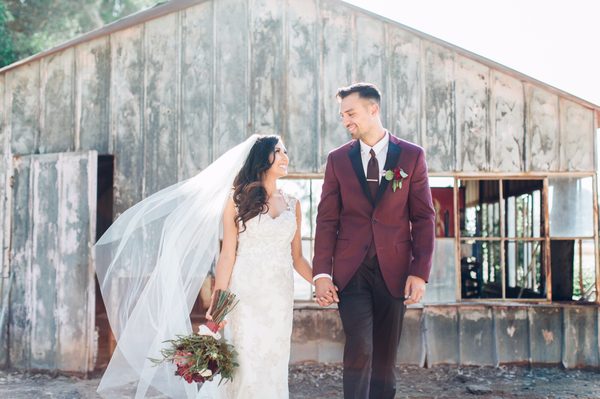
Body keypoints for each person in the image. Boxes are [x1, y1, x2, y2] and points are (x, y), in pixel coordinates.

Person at [94, 134, 313, 399]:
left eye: (286, 151)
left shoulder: (294, 204)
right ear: (261, 158)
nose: (285, 156)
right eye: (278, 151)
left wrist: (323, 283)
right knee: (245, 361)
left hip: (279, 296)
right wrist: (219, 301)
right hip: (245, 295)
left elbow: (298, 258)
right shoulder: (237, 201)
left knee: (275, 360)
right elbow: (228, 255)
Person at [312, 82, 436, 399]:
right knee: (360, 346)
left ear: (373, 109)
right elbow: (326, 219)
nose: (345, 121)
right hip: (351, 272)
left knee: (384, 356)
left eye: (350, 113)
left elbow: (423, 218)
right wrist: (321, 273)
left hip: (394, 271)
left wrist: (419, 271)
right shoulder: (337, 160)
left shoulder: (411, 156)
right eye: (342, 115)